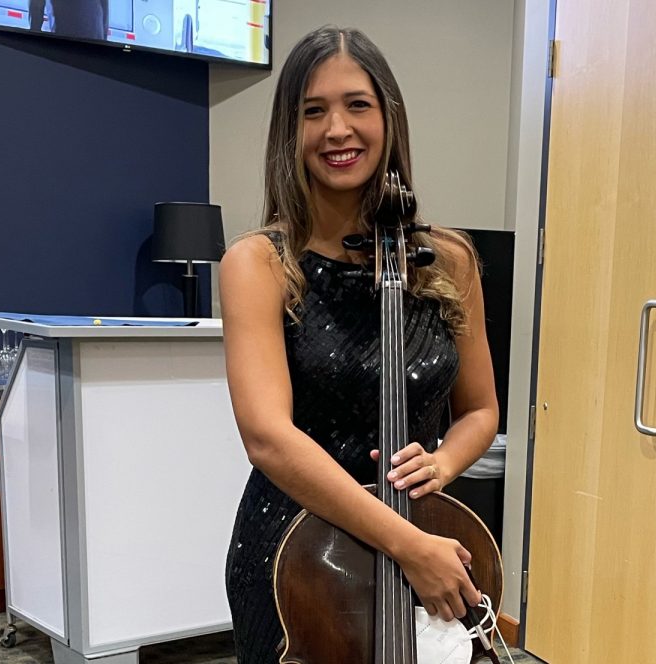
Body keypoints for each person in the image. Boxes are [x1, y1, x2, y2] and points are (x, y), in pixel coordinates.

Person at [220, 26, 500, 663]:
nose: (336, 129)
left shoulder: (447, 259)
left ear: (389, 118)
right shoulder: (259, 263)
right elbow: (268, 437)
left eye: (357, 105)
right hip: (296, 554)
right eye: (313, 111)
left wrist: (446, 463)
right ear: (289, 133)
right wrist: (406, 543)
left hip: (422, 539)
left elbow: (481, 411)